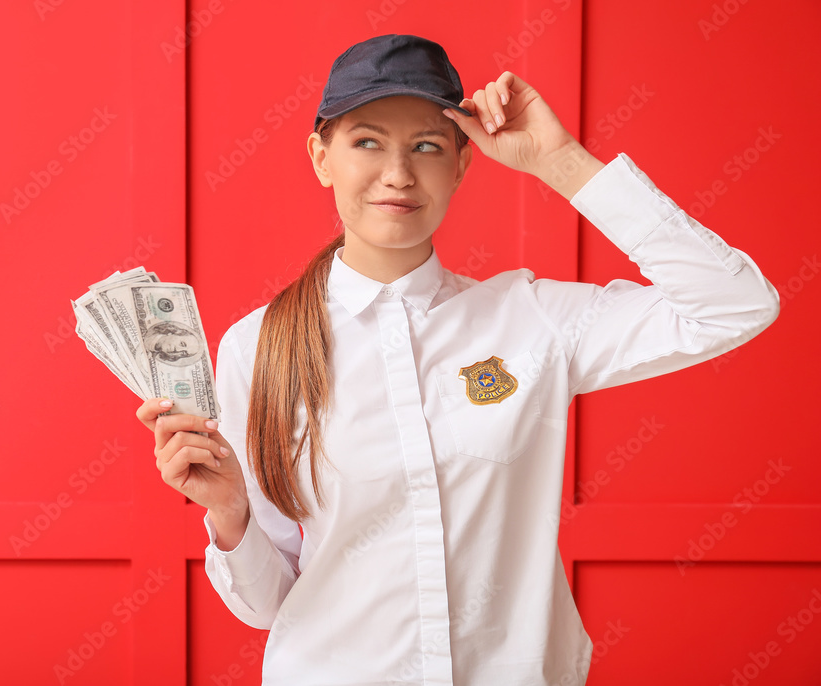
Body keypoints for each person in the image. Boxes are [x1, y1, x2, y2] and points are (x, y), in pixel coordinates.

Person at [136, 34, 779, 685]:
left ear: (463, 164)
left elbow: (734, 303)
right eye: (366, 141)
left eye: (426, 146)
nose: (398, 173)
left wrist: (560, 161)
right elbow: (267, 605)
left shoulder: (531, 319)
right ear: (320, 156)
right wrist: (230, 512)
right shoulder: (258, 344)